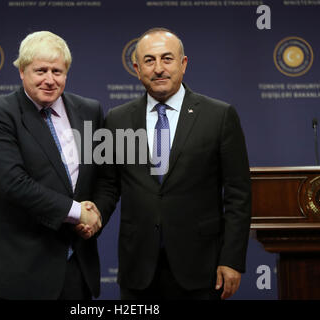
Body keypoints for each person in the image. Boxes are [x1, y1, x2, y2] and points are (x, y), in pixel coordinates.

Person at [94, 27, 252, 300]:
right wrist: (92, 216)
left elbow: (238, 195)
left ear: (183, 63)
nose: (158, 68)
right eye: (149, 60)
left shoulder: (219, 115)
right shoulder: (117, 119)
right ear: (136, 67)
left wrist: (232, 258)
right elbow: (109, 185)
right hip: (138, 269)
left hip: (201, 267)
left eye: (167, 59)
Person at [0, 31, 102, 300]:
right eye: (40, 70)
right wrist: (78, 212)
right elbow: (11, 183)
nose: (49, 79)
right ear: (22, 70)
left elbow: (103, 176)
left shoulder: (89, 111)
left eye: (57, 71)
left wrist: (94, 218)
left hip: (76, 271)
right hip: (20, 274)